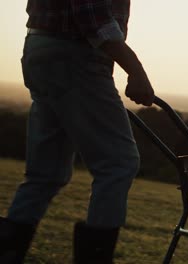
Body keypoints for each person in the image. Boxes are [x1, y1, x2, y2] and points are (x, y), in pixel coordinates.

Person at [0, 0, 154, 263]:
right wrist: (135, 70)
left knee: (46, 174)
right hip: (75, 54)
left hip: (44, 49)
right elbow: (92, 17)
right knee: (118, 163)